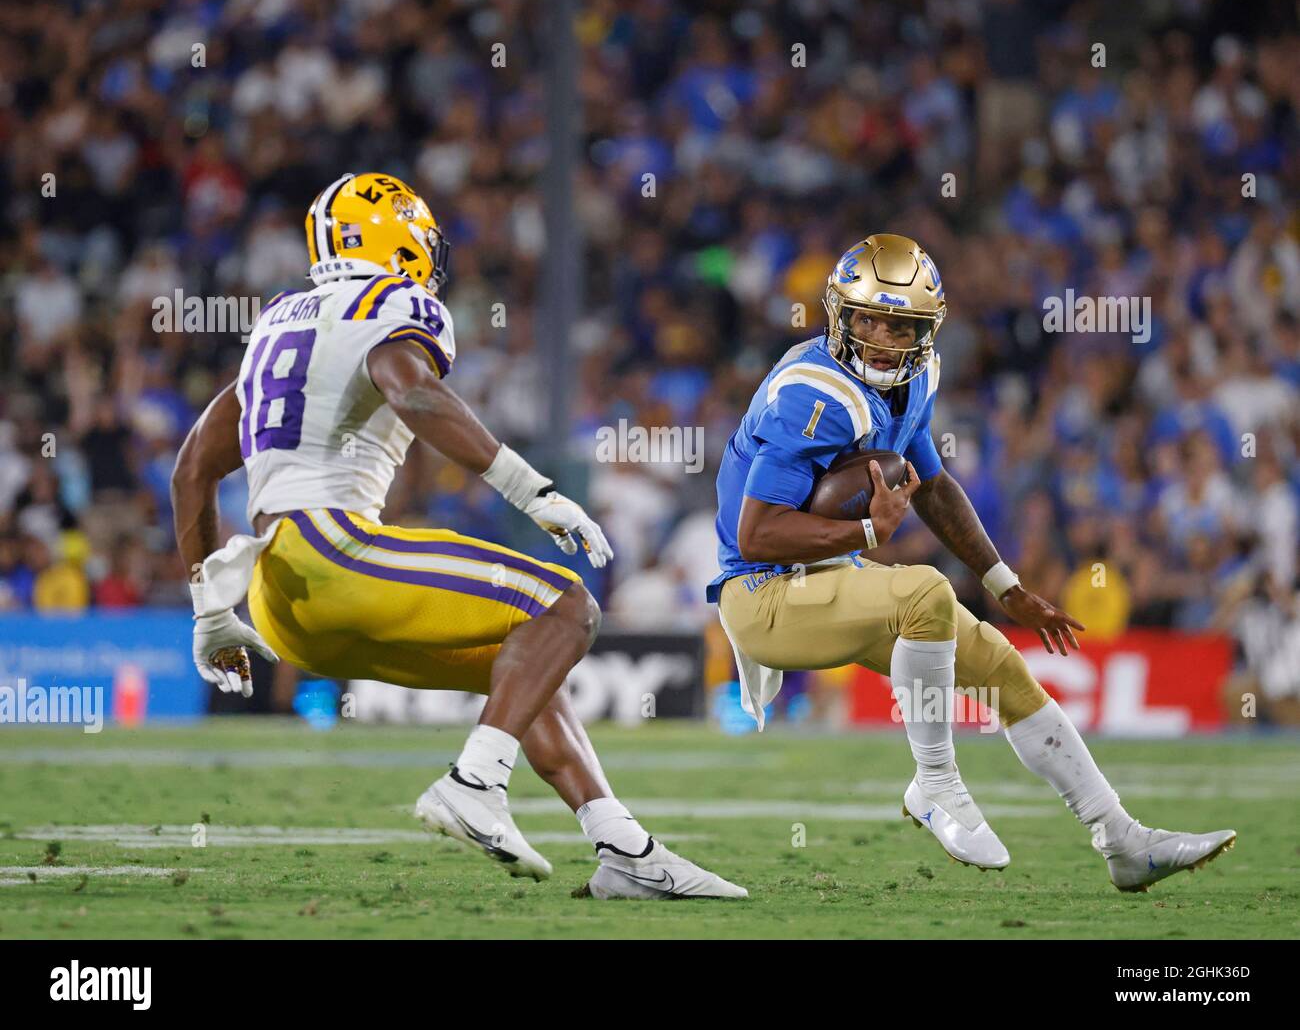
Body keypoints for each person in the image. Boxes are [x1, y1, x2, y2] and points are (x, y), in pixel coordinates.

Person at [172, 172, 745, 900]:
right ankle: (473, 783)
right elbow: (409, 388)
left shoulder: (279, 323)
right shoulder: (390, 303)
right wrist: (529, 489)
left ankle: (622, 848)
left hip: (279, 601)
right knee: (567, 607)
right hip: (336, 552)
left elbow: (191, 470)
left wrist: (211, 611)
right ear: (394, 237)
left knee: (518, 666)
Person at [708, 233, 1235, 891]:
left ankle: (1123, 841)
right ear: (840, 314)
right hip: (760, 593)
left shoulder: (916, 380)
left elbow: (931, 484)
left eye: (899, 325)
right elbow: (756, 535)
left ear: (926, 331)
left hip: (825, 579)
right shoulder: (812, 393)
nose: (879, 335)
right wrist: (869, 530)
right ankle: (934, 784)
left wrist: (1005, 585)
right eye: (867, 317)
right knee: (923, 591)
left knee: (1000, 667)